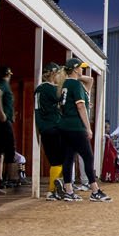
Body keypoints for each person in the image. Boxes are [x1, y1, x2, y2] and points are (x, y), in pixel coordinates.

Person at [58, 59, 110, 201]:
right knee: (88, 157)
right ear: (75, 69)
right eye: (80, 68)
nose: (82, 70)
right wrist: (88, 128)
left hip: (65, 126)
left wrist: (76, 75)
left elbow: (91, 80)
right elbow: (80, 107)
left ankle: (68, 190)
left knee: (68, 158)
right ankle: (95, 190)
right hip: (76, 126)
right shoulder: (75, 85)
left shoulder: (66, 84)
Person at [33, 63, 80, 201]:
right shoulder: (48, 87)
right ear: (53, 74)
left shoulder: (39, 89)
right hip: (53, 126)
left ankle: (55, 190)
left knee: (56, 160)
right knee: (62, 159)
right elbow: (63, 97)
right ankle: (55, 190)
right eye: (58, 73)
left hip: (45, 127)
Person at [0, 66, 20, 190]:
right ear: (8, 74)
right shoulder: (3, 84)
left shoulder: (6, 85)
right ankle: (10, 178)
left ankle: (3, 178)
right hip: (4, 122)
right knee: (9, 148)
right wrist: (1, 112)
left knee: (2, 149)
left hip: (7, 120)